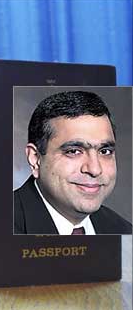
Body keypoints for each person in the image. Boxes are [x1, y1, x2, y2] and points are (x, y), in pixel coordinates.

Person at [14, 91, 132, 235]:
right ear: (35, 158)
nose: (95, 169)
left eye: (104, 151)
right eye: (74, 151)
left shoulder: (123, 230)